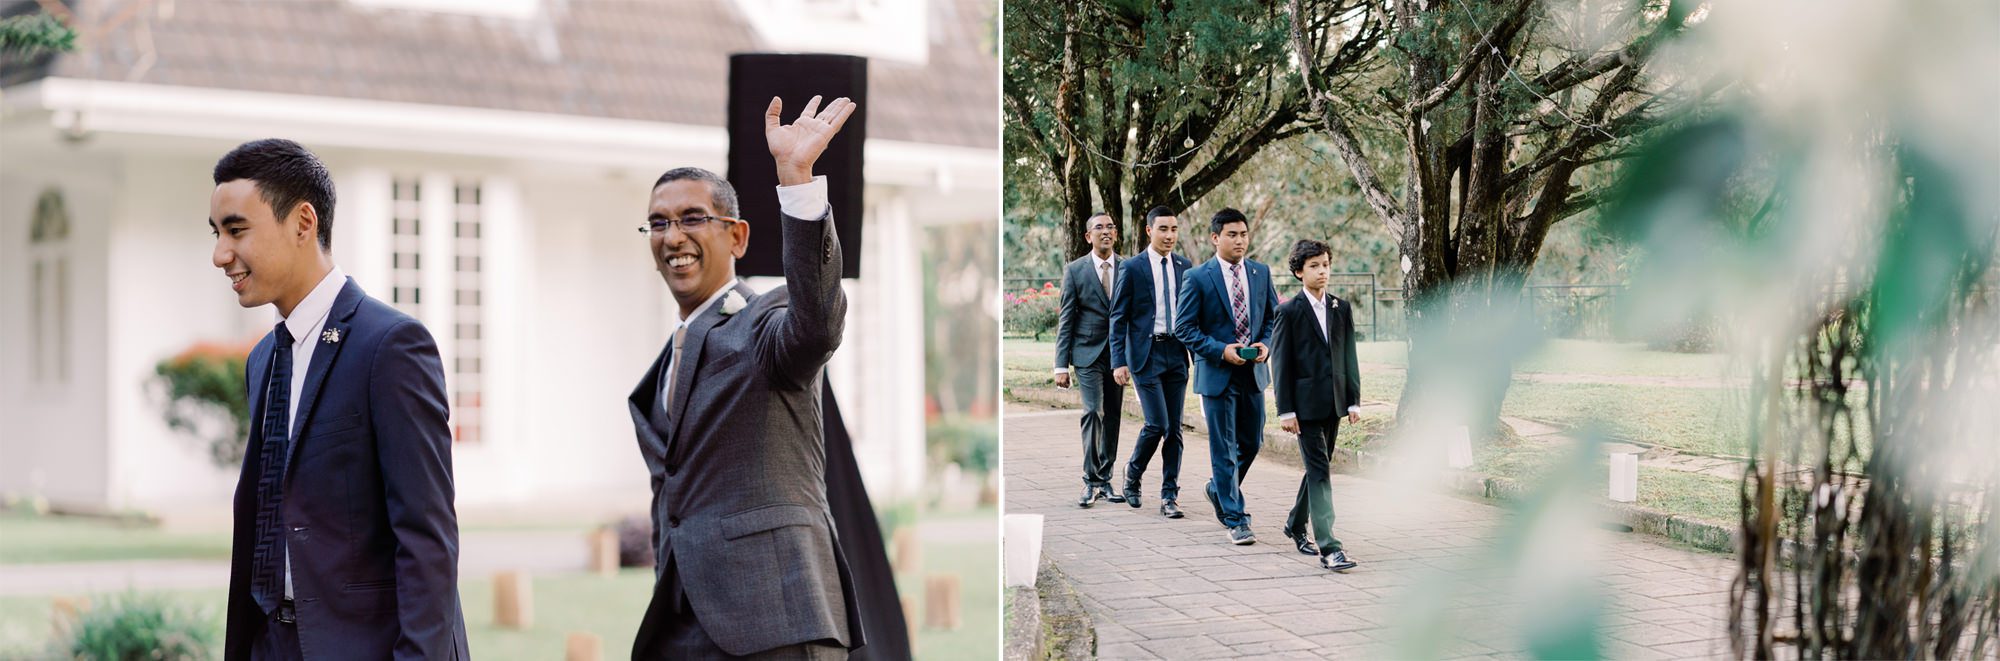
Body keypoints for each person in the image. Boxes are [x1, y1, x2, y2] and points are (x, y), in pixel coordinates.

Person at [210, 139, 469, 660]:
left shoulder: (391, 346)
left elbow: (427, 540)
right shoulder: (263, 360)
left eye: (237, 230)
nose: (220, 254)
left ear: (303, 223)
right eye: (217, 234)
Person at [625, 95, 864, 659]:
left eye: (692, 218)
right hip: (680, 629)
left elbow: (816, 325)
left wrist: (797, 180)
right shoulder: (662, 366)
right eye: (658, 223)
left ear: (736, 237)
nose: (672, 236)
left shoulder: (764, 323)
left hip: (777, 619)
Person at [1173, 208, 1277, 546]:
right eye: (1232, 235)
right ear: (1215, 238)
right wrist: (1221, 350)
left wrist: (1266, 344)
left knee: (1252, 442)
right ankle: (1236, 519)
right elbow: (1184, 328)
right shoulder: (1197, 277)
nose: (1240, 240)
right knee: (1224, 449)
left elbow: (1272, 318)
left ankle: (1218, 488)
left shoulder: (1261, 272)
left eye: (1243, 234)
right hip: (1217, 374)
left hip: (1253, 373)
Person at [1272, 239, 1362, 572]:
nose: (1322, 271)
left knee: (1317, 468)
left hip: (1335, 402)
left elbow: (1349, 356)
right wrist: (1286, 410)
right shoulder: (1288, 312)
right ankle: (1329, 547)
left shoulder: (1341, 307)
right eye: (1314, 266)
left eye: (1325, 264)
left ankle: (1295, 524)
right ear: (1299, 272)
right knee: (1321, 472)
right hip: (1304, 408)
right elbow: (1280, 364)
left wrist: (1353, 400)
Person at [1109, 207, 1194, 518]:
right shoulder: (1132, 268)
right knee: (1157, 424)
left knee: (1175, 430)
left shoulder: (1185, 267)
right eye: (1163, 229)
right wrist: (1119, 361)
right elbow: (1118, 317)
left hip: (1177, 353)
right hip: (1146, 355)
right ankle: (1133, 472)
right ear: (1149, 231)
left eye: (1174, 229)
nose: (1170, 236)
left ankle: (1169, 496)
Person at [1053, 214, 1125, 508]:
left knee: (1114, 415)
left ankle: (1106, 479)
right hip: (1086, 353)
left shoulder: (1127, 268)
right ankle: (1090, 480)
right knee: (1093, 411)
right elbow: (1066, 318)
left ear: (1116, 234)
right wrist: (1061, 365)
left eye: (1110, 227)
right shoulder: (1075, 270)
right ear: (1088, 236)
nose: (1105, 232)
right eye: (1099, 228)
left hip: (1118, 355)